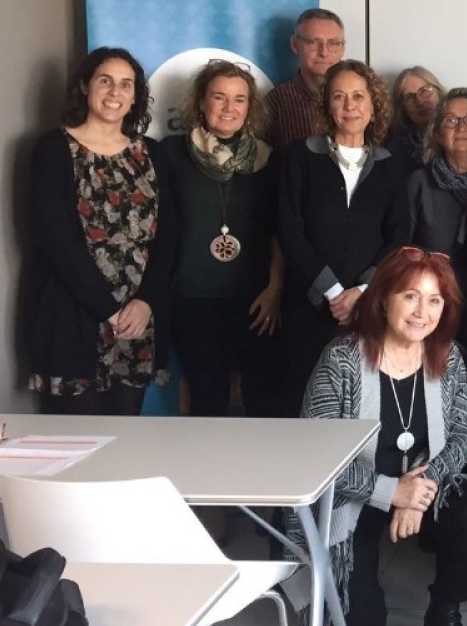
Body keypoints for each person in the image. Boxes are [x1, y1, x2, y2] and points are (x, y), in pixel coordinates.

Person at [289, 246, 467, 626]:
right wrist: (391, 493)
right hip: (353, 496)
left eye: (434, 300)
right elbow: (314, 456)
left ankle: (444, 613)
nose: (422, 312)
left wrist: (419, 490)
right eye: (410, 296)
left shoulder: (447, 355)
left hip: (420, 485)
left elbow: (463, 434)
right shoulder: (342, 359)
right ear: (383, 300)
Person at [27, 47, 176, 415]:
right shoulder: (53, 149)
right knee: (76, 443)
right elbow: (54, 239)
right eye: (105, 81)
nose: (115, 92)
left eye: (126, 84)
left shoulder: (153, 154)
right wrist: (108, 310)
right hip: (72, 320)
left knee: (125, 441)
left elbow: (169, 236)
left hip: (137, 323)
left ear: (136, 96)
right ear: (84, 86)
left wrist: (146, 302)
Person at [278, 59, 410, 416]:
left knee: (361, 405)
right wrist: (334, 292)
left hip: (369, 310)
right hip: (308, 308)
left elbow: (399, 236)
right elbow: (289, 229)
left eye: (358, 96)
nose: (349, 105)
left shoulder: (391, 165)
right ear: (327, 105)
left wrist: (362, 292)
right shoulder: (300, 156)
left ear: (373, 105)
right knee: (303, 406)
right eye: (339, 96)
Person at [162, 59, 284, 418]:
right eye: (219, 97)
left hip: (256, 302)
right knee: (207, 401)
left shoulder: (268, 160)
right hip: (193, 301)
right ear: (201, 102)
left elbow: (279, 230)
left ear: (250, 107)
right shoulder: (171, 154)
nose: (229, 107)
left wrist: (275, 289)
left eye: (239, 99)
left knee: (263, 400)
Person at [408, 87, 467, 367]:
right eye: (451, 120)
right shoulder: (419, 184)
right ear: (436, 132)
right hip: (430, 313)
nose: (461, 128)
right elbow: (401, 255)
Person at [266, 8, 346, 150]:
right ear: (295, 44)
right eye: (313, 42)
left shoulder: (363, 100)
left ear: (342, 48)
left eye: (333, 43)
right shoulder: (276, 102)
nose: (324, 52)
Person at [385, 66, 445, 177]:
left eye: (425, 91)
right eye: (409, 98)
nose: (420, 102)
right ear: (402, 108)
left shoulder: (462, 133)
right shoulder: (397, 150)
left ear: (439, 92)